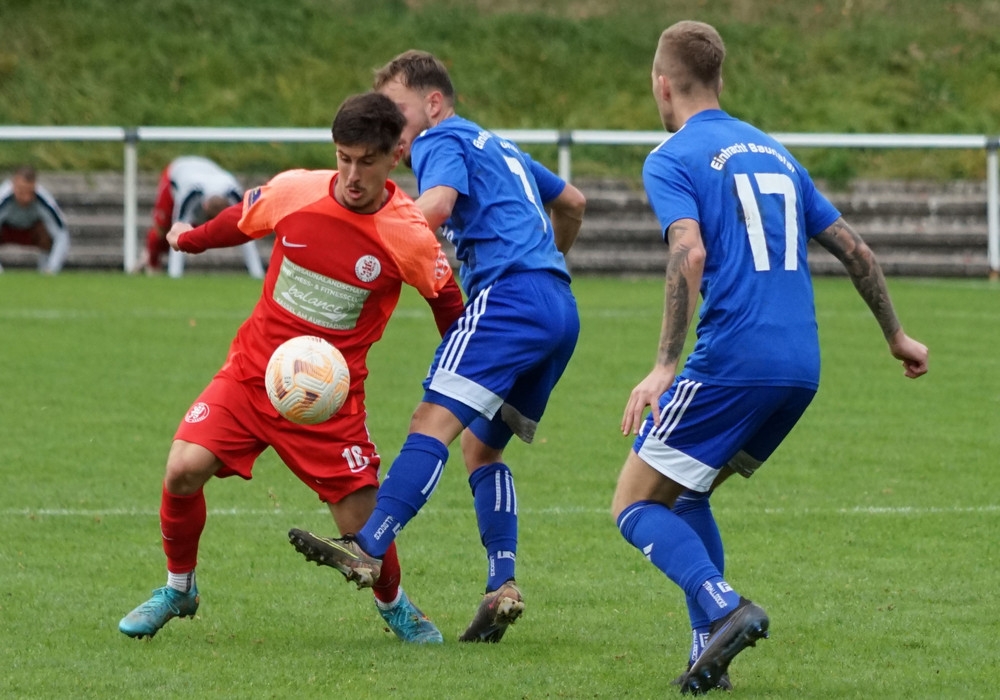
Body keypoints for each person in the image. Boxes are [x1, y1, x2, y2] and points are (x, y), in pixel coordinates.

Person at [610, 20, 930, 694]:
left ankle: (725, 607)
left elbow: (688, 251)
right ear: (720, 80)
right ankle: (707, 653)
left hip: (734, 358)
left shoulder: (671, 156)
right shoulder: (776, 153)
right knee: (687, 491)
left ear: (662, 86)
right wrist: (896, 336)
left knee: (633, 504)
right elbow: (856, 251)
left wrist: (665, 365)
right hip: (800, 368)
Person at [118, 92, 465, 643]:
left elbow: (450, 308)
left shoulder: (407, 233)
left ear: (394, 157)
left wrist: (468, 378)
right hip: (251, 375)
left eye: (367, 162)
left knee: (363, 527)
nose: (352, 175)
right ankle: (179, 588)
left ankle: (395, 605)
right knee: (182, 468)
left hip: (328, 403)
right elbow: (242, 218)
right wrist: (192, 240)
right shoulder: (297, 190)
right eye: (343, 158)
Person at [288, 49, 587, 643]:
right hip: (558, 305)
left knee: (430, 421)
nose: (391, 124)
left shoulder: (437, 138)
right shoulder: (498, 145)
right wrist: (546, 263)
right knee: (481, 449)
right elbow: (573, 202)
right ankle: (502, 585)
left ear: (432, 103)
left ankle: (368, 547)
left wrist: (363, 234)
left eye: (396, 110)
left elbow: (439, 204)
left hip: (508, 300)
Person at [136, 155, 265, 278]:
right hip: (174, 174)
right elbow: (178, 229)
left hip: (205, 170)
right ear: (205, 206)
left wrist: (257, 274)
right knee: (163, 228)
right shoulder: (191, 193)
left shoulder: (235, 194)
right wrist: (175, 274)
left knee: (196, 229)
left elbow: (246, 234)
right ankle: (152, 263)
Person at [0, 166, 70, 274]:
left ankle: (44, 270)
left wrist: (52, 268)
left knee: (47, 233)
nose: (26, 198)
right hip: (5, 230)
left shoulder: (44, 200)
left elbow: (61, 233)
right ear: (13, 185)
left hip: (33, 230)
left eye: (29, 192)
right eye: (21, 191)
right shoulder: (3, 198)